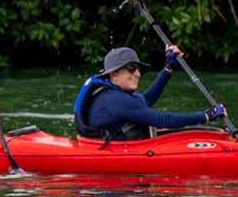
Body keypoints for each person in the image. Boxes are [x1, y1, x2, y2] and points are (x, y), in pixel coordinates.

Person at [73, 45, 226, 141]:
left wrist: (168, 68)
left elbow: (145, 100)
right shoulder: (115, 100)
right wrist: (206, 116)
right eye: (132, 68)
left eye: (139, 69)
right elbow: (163, 120)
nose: (138, 74)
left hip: (116, 143)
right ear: (114, 74)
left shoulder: (113, 94)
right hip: (111, 151)